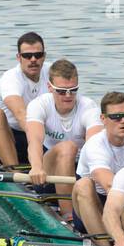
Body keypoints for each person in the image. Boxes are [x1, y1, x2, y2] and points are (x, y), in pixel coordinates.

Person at [23, 59, 102, 214]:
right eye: (61, 91)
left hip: (78, 171)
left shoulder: (89, 107)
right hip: (48, 173)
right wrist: (37, 168)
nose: (68, 95)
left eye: (73, 90)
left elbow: (95, 146)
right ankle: (69, 216)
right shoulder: (38, 105)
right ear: (49, 88)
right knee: (68, 147)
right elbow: (34, 141)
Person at [72, 92, 124, 240]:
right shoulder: (95, 145)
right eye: (116, 117)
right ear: (103, 119)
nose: (123, 121)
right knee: (84, 185)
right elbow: (109, 185)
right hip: (95, 203)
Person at [0, 32, 50, 168]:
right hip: (8, 138)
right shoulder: (10, 79)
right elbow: (21, 114)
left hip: (41, 137)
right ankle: (14, 173)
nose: (33, 59)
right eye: (27, 56)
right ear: (19, 58)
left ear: (44, 57)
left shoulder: (52, 72)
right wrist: (36, 146)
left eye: (38, 55)